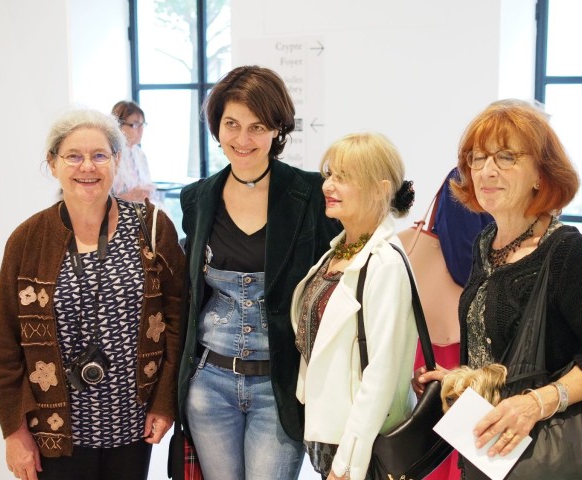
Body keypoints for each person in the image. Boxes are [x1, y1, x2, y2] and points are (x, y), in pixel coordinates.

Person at [413, 99, 582, 477]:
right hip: (491, 451)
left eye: (506, 157)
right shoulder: (486, 244)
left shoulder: (566, 252)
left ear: (541, 173)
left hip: (553, 455)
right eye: (478, 158)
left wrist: (536, 403)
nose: (487, 170)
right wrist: (462, 378)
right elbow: (499, 352)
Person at [0, 108, 184, 480]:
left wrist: (164, 402)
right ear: (53, 163)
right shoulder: (27, 240)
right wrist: (14, 431)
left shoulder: (152, 227)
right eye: (73, 156)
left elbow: (177, 322)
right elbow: (3, 345)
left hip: (132, 426)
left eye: (99, 155)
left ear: (117, 160)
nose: (87, 167)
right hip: (53, 431)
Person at [177, 65, 340, 479]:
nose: (243, 139)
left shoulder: (311, 194)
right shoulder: (197, 198)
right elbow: (192, 294)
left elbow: (338, 280)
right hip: (210, 385)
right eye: (232, 124)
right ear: (217, 127)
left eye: (257, 127)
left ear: (277, 129)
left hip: (278, 386)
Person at [291, 132, 419, 480]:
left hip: (358, 445)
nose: (328, 185)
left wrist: (349, 462)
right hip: (329, 433)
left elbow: (381, 373)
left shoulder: (384, 264)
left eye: (344, 177)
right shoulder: (338, 252)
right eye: (329, 174)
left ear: (380, 189)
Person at [399, 167, 492, 480]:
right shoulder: (470, 178)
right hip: (465, 344)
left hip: (440, 342)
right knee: (460, 450)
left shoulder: (466, 176)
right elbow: (467, 263)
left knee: (438, 448)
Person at [111, 100, 158, 202]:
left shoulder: (140, 154)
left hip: (143, 207)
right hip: (120, 209)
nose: (141, 130)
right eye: (135, 125)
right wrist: (129, 196)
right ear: (118, 125)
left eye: (142, 124)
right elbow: (103, 199)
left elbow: (146, 185)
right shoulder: (110, 154)